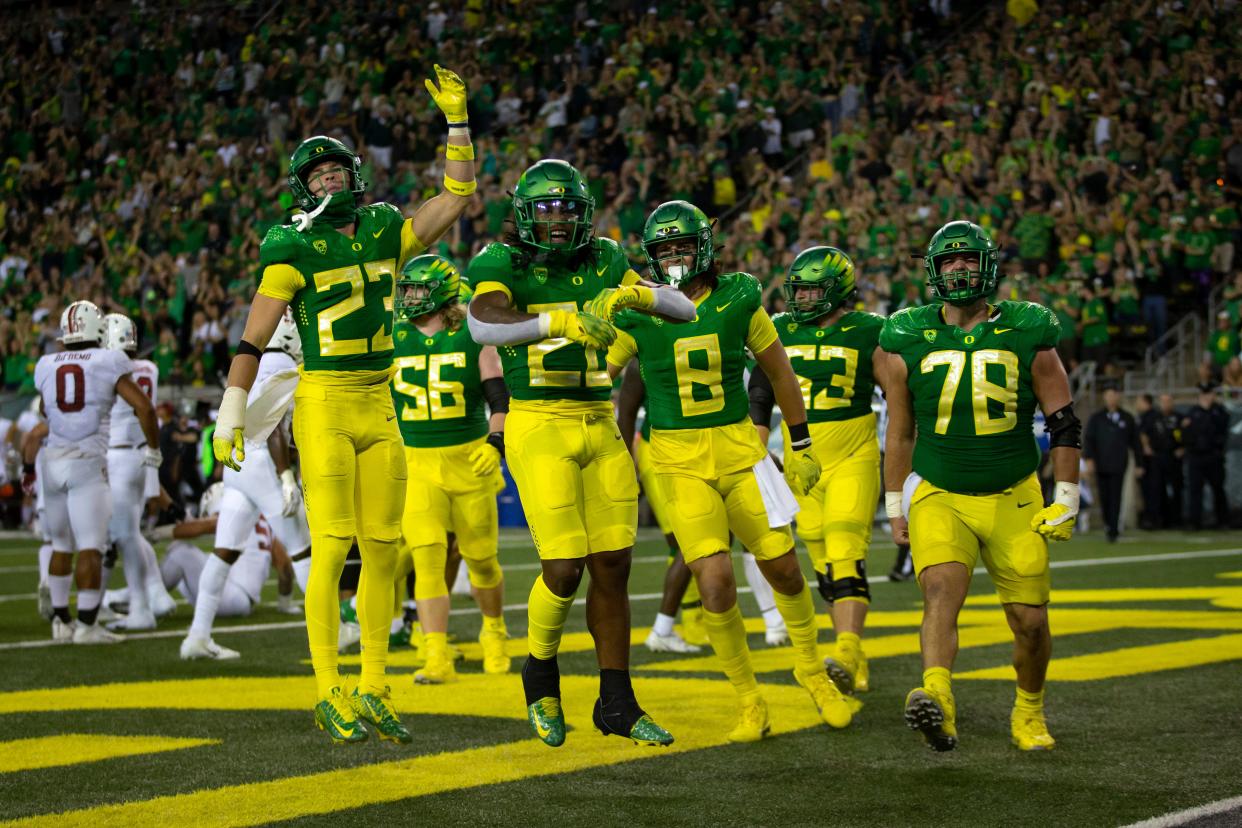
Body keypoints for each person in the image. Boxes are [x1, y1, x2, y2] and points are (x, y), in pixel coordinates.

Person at [212, 65, 476, 744]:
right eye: (319, 173)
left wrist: (457, 123)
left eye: (338, 170)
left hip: (378, 401)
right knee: (332, 547)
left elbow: (455, 197)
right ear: (303, 187)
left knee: (384, 548)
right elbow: (255, 330)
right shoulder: (289, 241)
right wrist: (232, 402)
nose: (331, 180)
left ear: (353, 175)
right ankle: (328, 686)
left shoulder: (385, 227)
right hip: (326, 400)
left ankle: (375, 685)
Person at [602, 200, 855, 742]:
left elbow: (779, 371)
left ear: (705, 248)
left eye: (682, 247)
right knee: (713, 579)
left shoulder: (739, 296)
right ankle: (749, 699)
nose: (673, 259)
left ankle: (812, 670)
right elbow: (606, 374)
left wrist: (802, 440)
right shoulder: (639, 309)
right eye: (663, 250)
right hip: (675, 459)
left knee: (783, 566)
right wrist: (586, 322)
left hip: (741, 450)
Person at [466, 160, 696, 749]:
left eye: (568, 207)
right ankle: (540, 673)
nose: (559, 219)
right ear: (524, 213)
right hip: (539, 422)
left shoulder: (607, 258)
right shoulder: (500, 261)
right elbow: (483, 323)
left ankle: (616, 701)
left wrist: (630, 296)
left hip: (598, 420)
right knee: (563, 569)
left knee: (614, 567)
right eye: (546, 208)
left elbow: (683, 308)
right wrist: (560, 318)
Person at [881, 221, 1080, 752]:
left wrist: (1066, 495)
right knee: (941, 592)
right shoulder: (905, 334)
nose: (959, 269)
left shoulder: (1027, 328)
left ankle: (1030, 710)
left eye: (967, 259)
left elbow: (1063, 420)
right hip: (940, 492)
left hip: (1014, 493)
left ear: (988, 266)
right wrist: (896, 503)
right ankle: (938, 701)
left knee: (1030, 623)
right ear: (933, 270)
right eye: (948, 261)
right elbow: (899, 431)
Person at [751, 245, 884, 696]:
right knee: (825, 562)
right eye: (800, 290)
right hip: (800, 461)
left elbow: (899, 391)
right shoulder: (781, 328)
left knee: (846, 549)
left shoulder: (870, 330)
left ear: (839, 290)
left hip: (853, 454)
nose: (803, 298)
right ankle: (854, 655)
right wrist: (753, 433)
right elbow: (761, 388)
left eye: (813, 290)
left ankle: (846, 649)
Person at [389, 254, 510, 682]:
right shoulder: (392, 335)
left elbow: (498, 393)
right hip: (417, 462)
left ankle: (493, 631)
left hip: (468, 457)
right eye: (407, 289)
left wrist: (496, 442)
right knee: (427, 558)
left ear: (441, 293)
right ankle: (435, 653)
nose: (410, 298)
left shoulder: (471, 334)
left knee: (481, 561)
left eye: (418, 289)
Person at [183, 310, 312, 661]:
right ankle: (335, 629)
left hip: (236, 465)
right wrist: (286, 474)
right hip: (262, 459)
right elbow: (272, 425)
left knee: (224, 550)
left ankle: (197, 635)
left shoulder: (252, 361)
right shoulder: (279, 364)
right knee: (301, 547)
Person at [28, 300, 161, 644]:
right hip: (87, 462)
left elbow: (45, 407)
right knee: (91, 545)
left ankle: (61, 622)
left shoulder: (45, 363)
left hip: (52, 461)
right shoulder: (108, 360)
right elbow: (144, 408)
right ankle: (87, 625)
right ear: (98, 329)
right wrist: (154, 447)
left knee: (60, 544)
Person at [615, 364, 703, 655]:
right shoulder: (645, 346)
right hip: (660, 451)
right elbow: (626, 410)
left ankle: (694, 619)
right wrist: (627, 466)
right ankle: (664, 628)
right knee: (689, 542)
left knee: (692, 542)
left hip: (697, 449)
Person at [101, 313, 177, 630]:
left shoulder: (111, 368)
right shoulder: (151, 368)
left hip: (119, 455)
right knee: (125, 532)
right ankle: (154, 595)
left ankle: (140, 607)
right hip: (142, 455)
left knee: (124, 535)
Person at [160, 484, 301, 621]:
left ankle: (150, 598)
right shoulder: (262, 523)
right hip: (243, 603)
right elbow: (285, 567)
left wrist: (158, 533)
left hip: (231, 596)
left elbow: (209, 525)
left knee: (180, 552)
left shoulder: (232, 510)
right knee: (200, 565)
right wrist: (285, 604)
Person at [1083, 386, 1140, 542]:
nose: (1111, 398)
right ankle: (1108, 523)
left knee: (1116, 496)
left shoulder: (1127, 418)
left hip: (1119, 463)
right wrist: (1089, 459)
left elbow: (1135, 442)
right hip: (1101, 463)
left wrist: (1140, 464)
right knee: (1104, 497)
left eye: (1114, 395)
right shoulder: (1097, 418)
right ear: (1104, 397)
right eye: (1108, 395)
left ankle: (1113, 529)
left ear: (1118, 397)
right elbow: (1089, 439)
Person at [1182, 382, 1231, 531]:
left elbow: (1222, 427)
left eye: (1208, 394)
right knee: (1195, 490)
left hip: (1213, 456)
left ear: (1213, 395)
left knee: (1218, 489)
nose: (1206, 397)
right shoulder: (1193, 411)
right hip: (1196, 457)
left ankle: (1223, 521)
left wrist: (1208, 410)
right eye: (1203, 394)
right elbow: (1186, 433)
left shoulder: (1219, 411)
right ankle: (1194, 522)